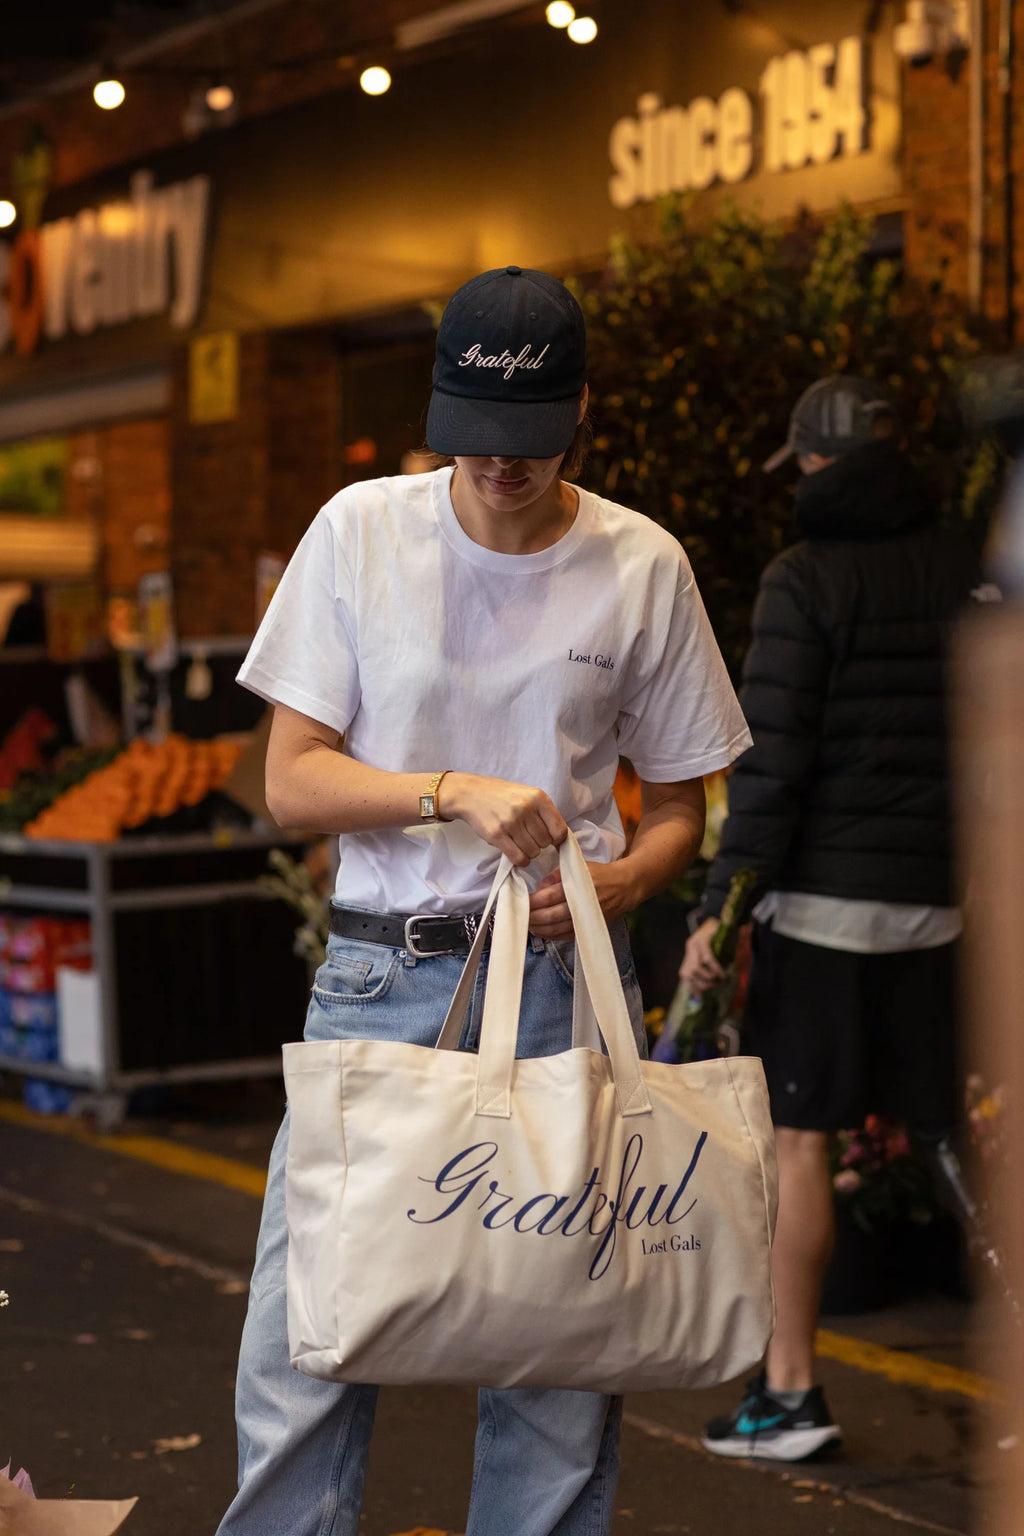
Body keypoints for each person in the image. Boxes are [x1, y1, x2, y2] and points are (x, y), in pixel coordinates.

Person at [220, 265, 751, 1536]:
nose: (496, 471)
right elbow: (290, 787)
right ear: (436, 401)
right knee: (306, 1346)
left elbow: (683, 804)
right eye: (471, 437)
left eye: (526, 443)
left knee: (558, 1353)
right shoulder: (361, 530)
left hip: (569, 987)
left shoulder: (642, 565)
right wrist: (446, 790)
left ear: (581, 414)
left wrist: (625, 878)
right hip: (379, 975)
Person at [681, 375, 980, 1463]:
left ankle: (792, 1394)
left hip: (822, 915)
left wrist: (720, 907)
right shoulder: (969, 569)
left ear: (810, 464)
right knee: (956, 1139)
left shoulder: (800, 580)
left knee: (799, 1143)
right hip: (941, 909)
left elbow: (771, 773)